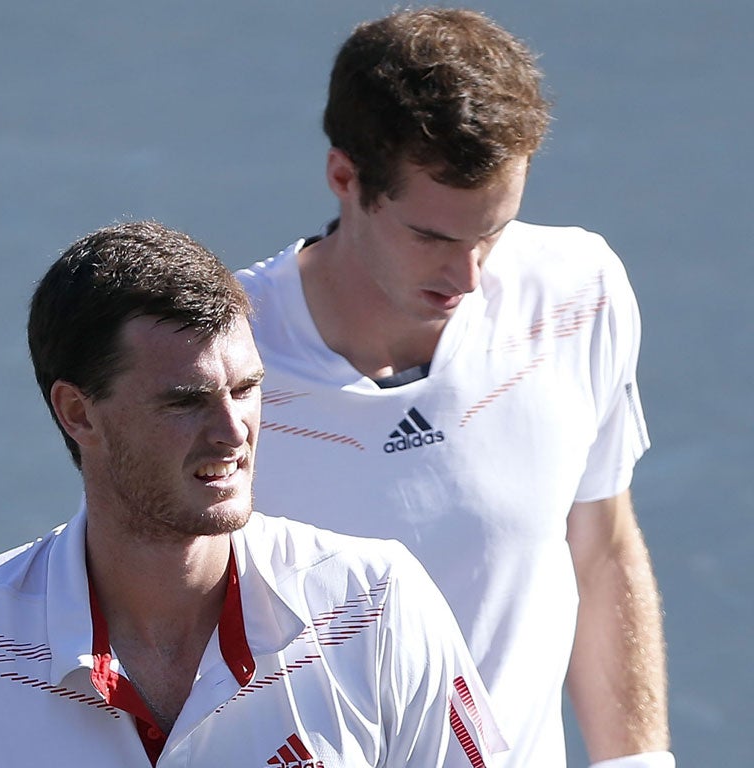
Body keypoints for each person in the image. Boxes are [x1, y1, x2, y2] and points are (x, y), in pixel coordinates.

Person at [0, 220, 507, 768]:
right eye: (185, 402)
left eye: (246, 389)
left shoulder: (378, 607)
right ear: (79, 413)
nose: (232, 431)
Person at [237, 8, 671, 768]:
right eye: (433, 238)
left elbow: (597, 545)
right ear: (345, 178)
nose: (468, 278)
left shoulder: (579, 290)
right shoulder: (221, 361)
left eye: (492, 232)